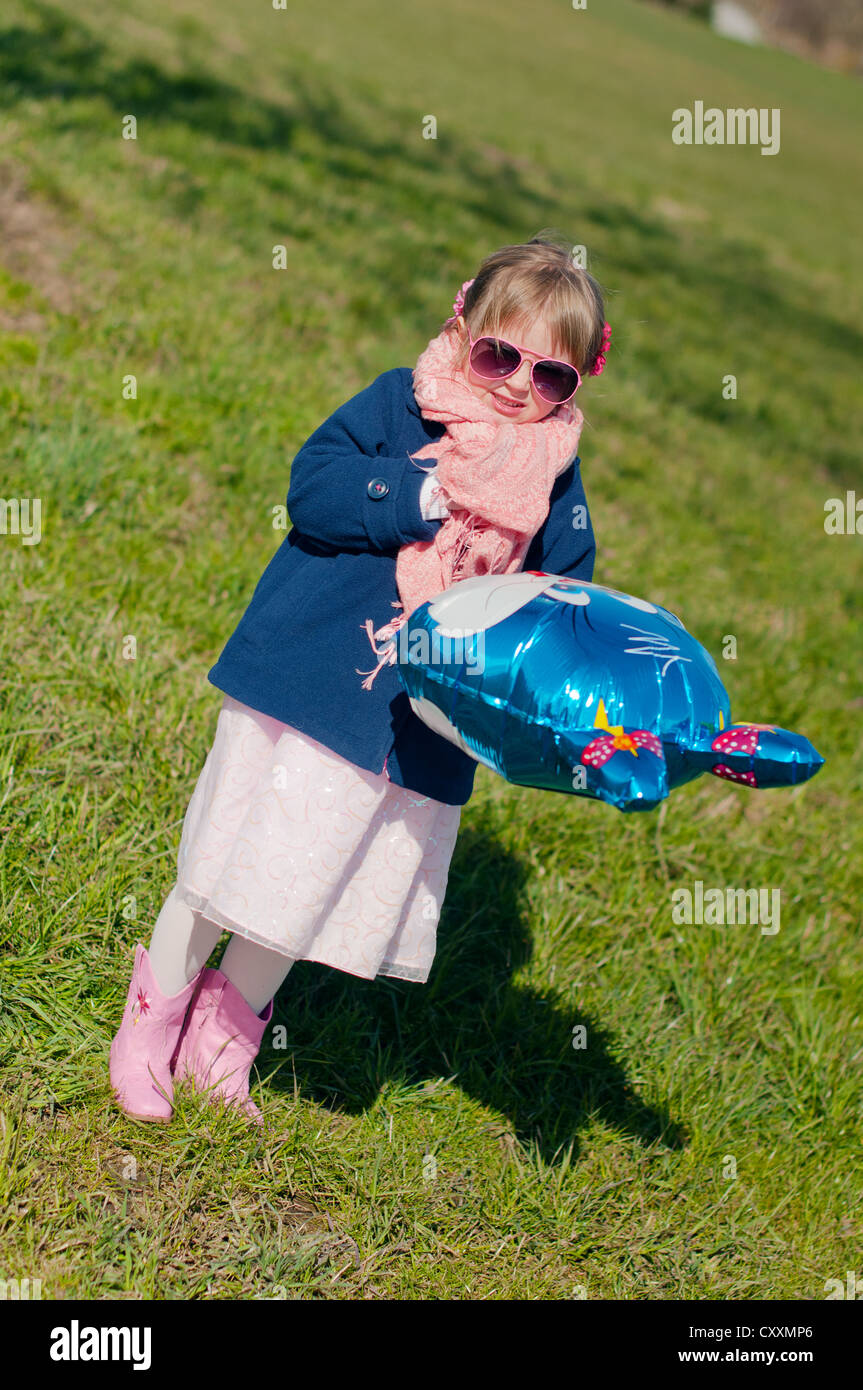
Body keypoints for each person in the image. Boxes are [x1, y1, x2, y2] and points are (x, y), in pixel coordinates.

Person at [108, 233, 611, 1126]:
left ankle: (228, 1038)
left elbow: (566, 591)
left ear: (574, 389)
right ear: (462, 332)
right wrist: (420, 499)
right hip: (305, 686)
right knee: (230, 854)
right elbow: (314, 486)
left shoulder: (551, 477)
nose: (514, 385)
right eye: (499, 355)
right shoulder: (401, 406)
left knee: (305, 874)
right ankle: (154, 1014)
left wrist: (540, 621)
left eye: (550, 378)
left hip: (408, 724)